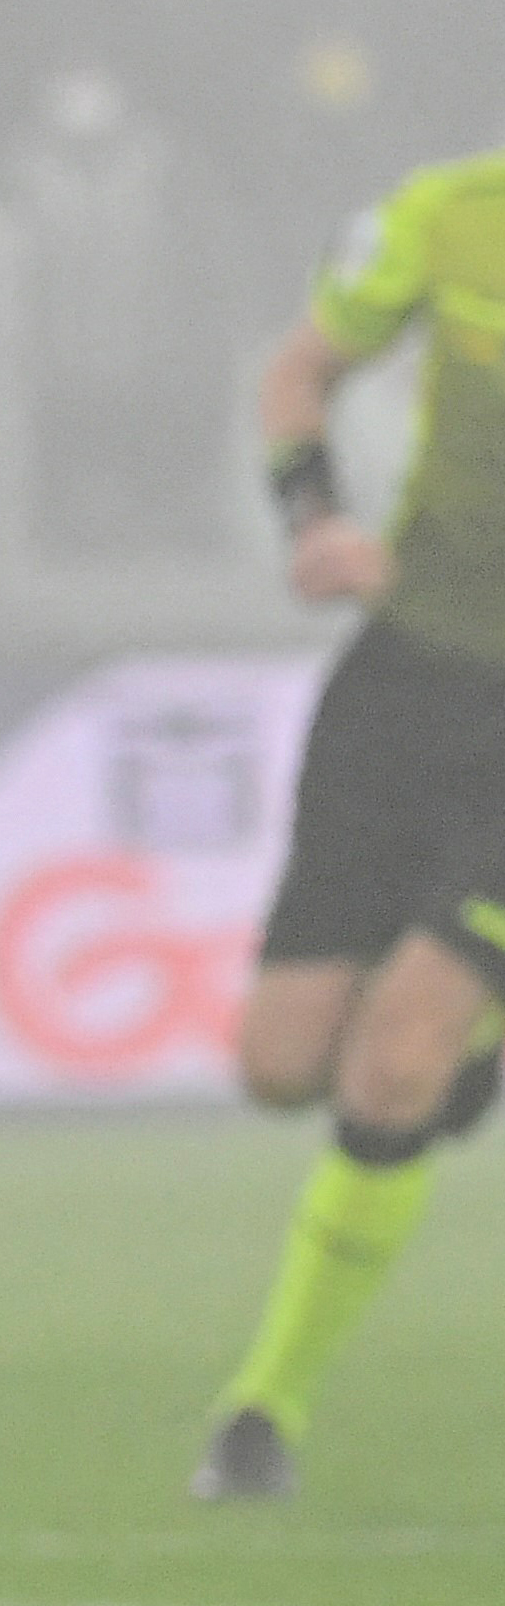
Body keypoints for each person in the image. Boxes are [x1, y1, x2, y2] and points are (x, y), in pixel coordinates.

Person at [193, 165, 505, 1500]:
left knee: (395, 1060)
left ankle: (262, 1409)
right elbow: (298, 374)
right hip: (405, 684)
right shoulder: (449, 216)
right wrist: (313, 520)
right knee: (280, 1062)